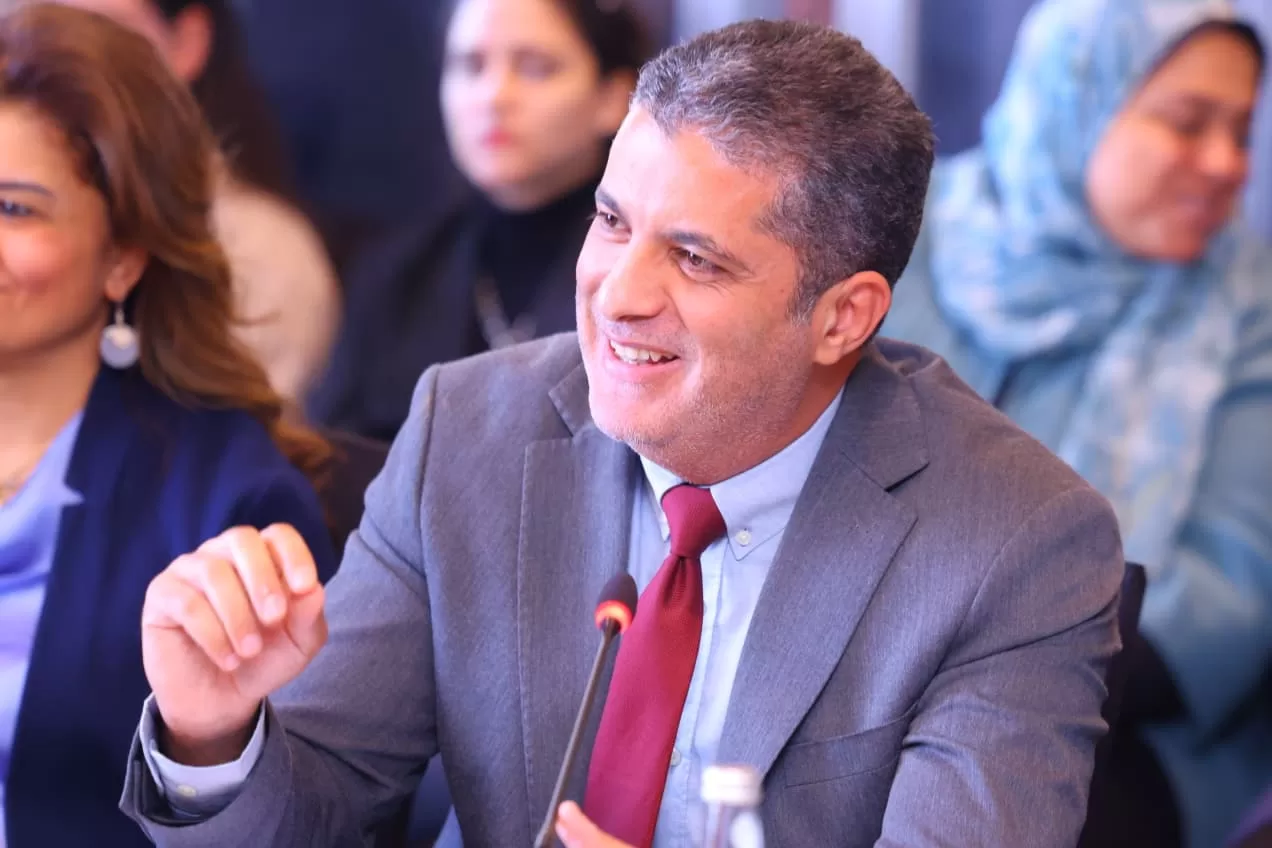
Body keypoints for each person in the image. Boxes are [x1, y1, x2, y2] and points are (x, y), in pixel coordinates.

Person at [120, 19, 1124, 848]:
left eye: (694, 258)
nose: (616, 294)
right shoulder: (466, 433)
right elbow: (316, 806)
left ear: (843, 317)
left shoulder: (1013, 540)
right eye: (611, 222)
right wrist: (213, 732)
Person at [881, 0, 1271, 845]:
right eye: (1187, 122)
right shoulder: (907, 236)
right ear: (1073, 98)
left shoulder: (1250, 307)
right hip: (865, 678)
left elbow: (1227, 604)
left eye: (1242, 132)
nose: (1225, 163)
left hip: (1122, 731)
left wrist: (966, 669)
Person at [0, 5, 338, 845]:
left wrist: (204, 742)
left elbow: (296, 822)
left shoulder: (231, 503)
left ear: (123, 255)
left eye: (14, 209)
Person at [306, 0, 650, 442]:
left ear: (613, 98)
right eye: (470, 66)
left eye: (535, 67)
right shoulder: (397, 275)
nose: (494, 95)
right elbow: (336, 452)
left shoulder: (644, 274)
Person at [57, 0, 340, 406]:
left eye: (102, 32)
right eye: (46, 26)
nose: (64, 60)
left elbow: (249, 429)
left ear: (189, 41)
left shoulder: (262, 255)